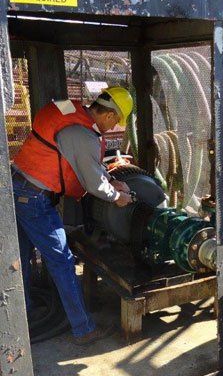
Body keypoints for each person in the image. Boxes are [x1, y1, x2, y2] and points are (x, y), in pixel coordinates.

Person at [11, 87, 134, 345]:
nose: (112, 128)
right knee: (62, 261)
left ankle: (23, 313)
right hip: (34, 198)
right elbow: (93, 185)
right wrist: (117, 196)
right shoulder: (84, 135)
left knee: (20, 258)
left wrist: (111, 178)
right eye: (116, 123)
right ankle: (83, 328)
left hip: (18, 187)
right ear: (111, 116)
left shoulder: (75, 113)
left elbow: (84, 163)